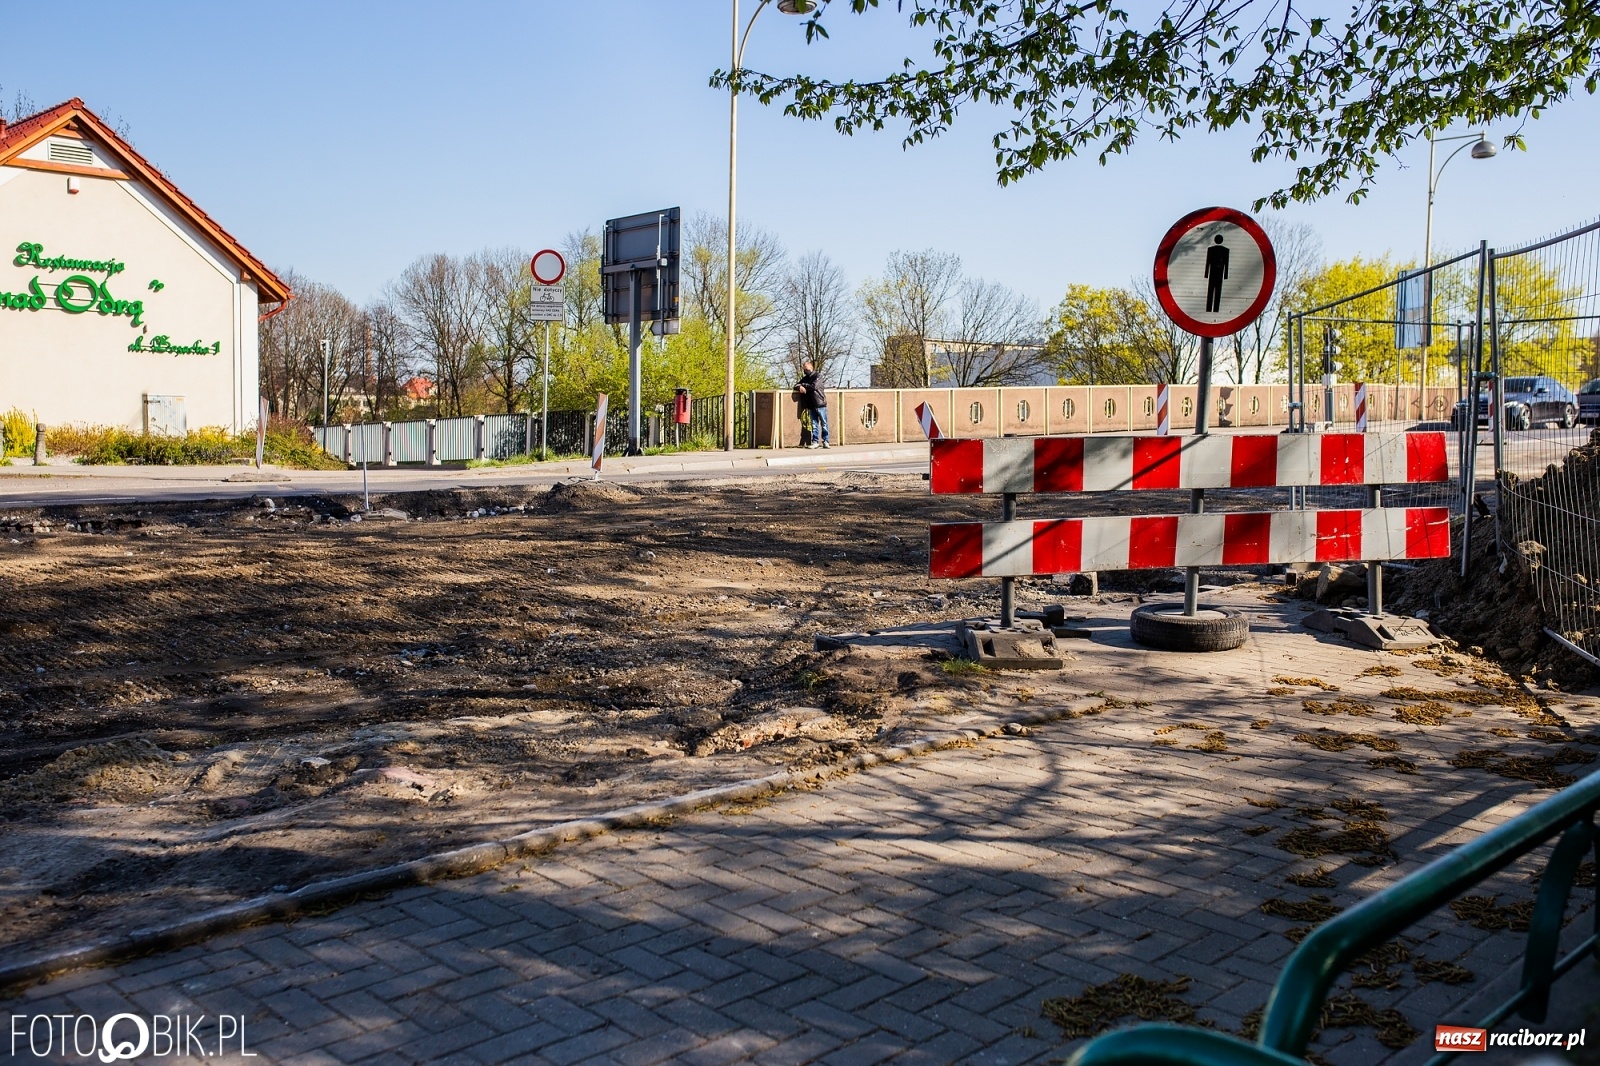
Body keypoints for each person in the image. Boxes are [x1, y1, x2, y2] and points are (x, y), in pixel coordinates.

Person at [794, 359, 830, 448]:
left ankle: (826, 441)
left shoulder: (818, 376)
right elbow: (796, 385)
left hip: (820, 403)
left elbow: (814, 387)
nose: (805, 371)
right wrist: (800, 387)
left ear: (811, 368)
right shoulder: (806, 378)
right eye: (804, 369)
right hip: (811, 404)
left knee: (824, 423)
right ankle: (815, 441)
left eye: (806, 369)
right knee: (814, 424)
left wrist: (804, 385)